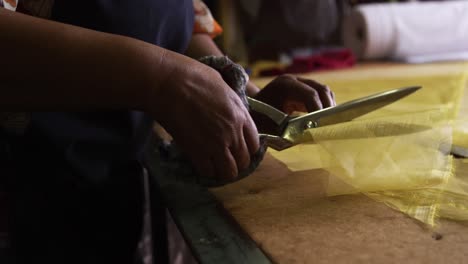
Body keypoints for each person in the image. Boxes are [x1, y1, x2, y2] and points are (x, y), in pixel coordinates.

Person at [0, 0, 335, 263]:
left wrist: (243, 97)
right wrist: (161, 78)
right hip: (21, 202)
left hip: (101, 201)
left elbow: (174, 17)